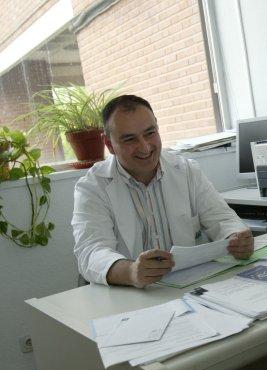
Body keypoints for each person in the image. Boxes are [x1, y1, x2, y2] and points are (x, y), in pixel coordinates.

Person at [71, 95, 253, 287]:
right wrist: (131, 272)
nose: (145, 147)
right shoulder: (92, 187)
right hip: (129, 294)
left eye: (150, 133)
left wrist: (236, 237)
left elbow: (222, 219)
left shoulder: (187, 171)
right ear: (109, 144)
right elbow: (90, 251)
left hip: (189, 286)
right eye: (130, 139)